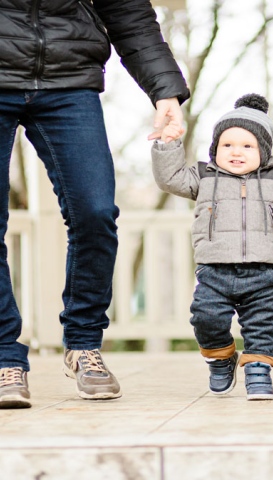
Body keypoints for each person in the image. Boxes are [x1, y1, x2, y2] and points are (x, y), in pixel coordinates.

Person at [0, 0, 190, 409]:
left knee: (96, 212)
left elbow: (129, 13)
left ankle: (83, 345)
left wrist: (165, 90)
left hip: (69, 82)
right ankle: (3, 356)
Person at [152, 93, 273, 400]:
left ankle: (258, 372)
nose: (236, 152)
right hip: (215, 267)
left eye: (247, 146)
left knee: (260, 324)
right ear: (215, 148)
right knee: (206, 317)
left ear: (264, 150)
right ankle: (220, 358)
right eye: (226, 145)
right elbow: (170, 178)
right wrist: (168, 144)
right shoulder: (204, 176)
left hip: (266, 270)